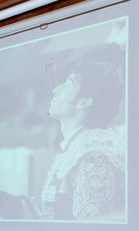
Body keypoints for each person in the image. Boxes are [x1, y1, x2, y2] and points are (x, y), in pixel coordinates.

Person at [38, 59, 125, 221]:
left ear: (84, 102)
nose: (56, 90)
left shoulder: (94, 153)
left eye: (69, 84)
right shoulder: (78, 144)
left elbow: (91, 230)